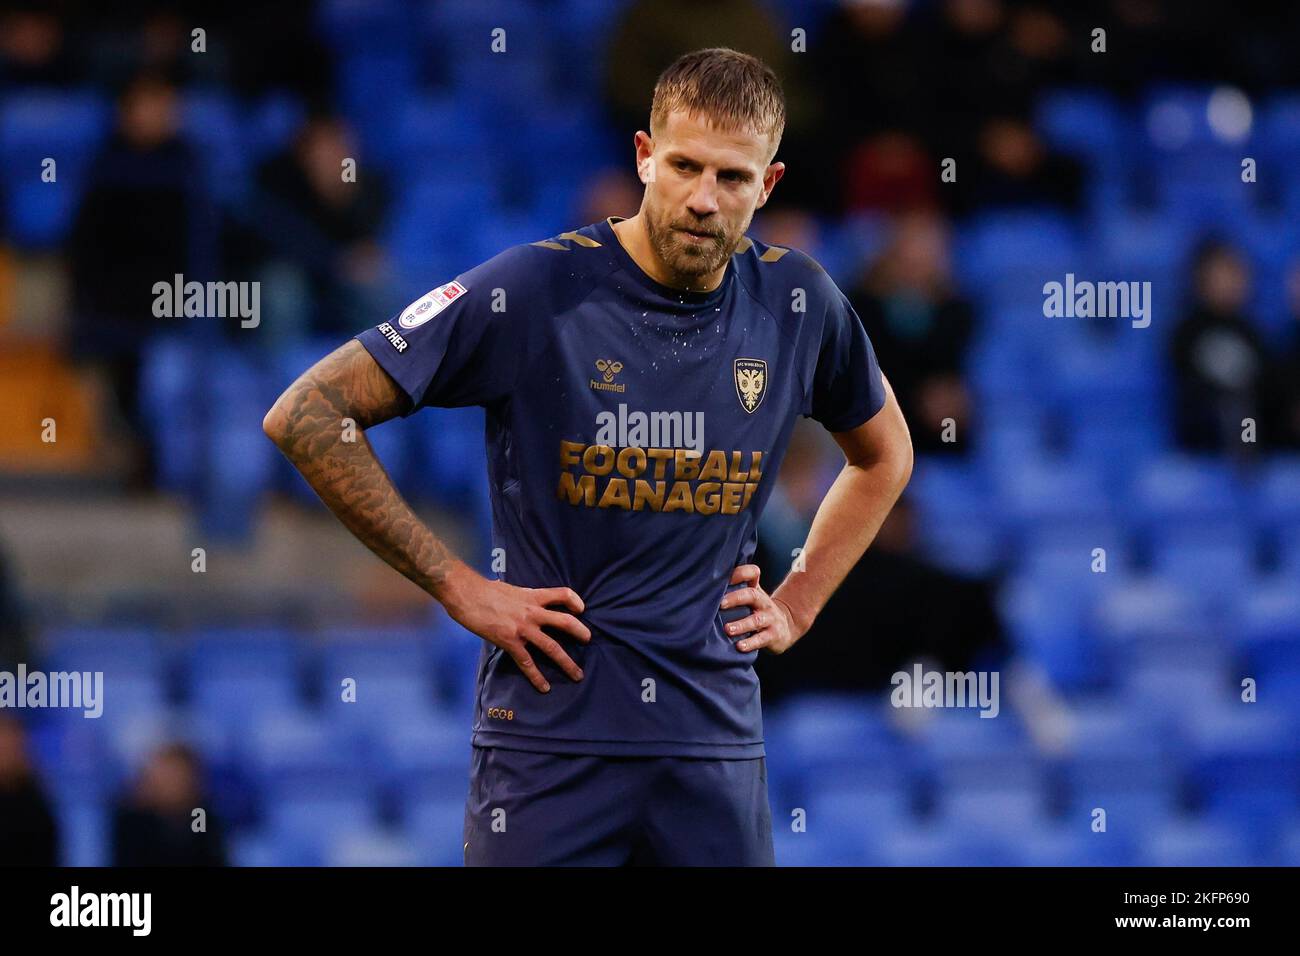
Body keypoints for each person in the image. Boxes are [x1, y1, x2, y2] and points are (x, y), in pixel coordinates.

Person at [264, 48, 912, 866]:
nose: (703, 200)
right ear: (644, 156)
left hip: (713, 750)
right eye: (683, 166)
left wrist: (802, 599)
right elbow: (307, 411)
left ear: (769, 185)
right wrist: (456, 584)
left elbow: (884, 455)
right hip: (548, 749)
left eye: (732, 178)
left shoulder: (798, 302)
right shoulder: (534, 291)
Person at [110, 743, 227, 867]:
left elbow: (211, 859)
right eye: (166, 775)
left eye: (180, 775)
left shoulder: (202, 817)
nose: (172, 783)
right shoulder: (132, 820)